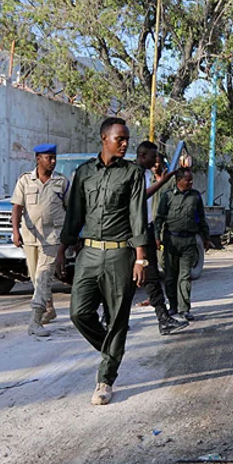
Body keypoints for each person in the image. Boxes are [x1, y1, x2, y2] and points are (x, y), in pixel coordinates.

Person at [56, 117, 147, 406]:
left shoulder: (132, 174)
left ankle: (105, 380)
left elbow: (137, 217)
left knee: (117, 317)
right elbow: (74, 216)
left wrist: (140, 259)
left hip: (121, 254)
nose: (124, 144)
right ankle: (111, 350)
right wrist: (62, 249)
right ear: (104, 139)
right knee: (78, 313)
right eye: (119, 139)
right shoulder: (84, 174)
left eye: (126, 140)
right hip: (89, 253)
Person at [10, 144, 70, 337]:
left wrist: (71, 237)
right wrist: (16, 231)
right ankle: (49, 309)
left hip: (53, 238)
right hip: (31, 237)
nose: (53, 162)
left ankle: (34, 321)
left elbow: (71, 210)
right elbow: (17, 207)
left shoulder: (61, 182)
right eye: (48, 158)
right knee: (36, 277)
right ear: (38, 158)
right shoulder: (25, 181)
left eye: (54, 158)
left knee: (44, 276)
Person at [135, 141, 186, 335]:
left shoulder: (146, 174)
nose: (155, 160)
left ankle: (163, 318)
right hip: (135, 231)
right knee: (139, 275)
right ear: (142, 156)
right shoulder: (135, 173)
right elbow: (140, 197)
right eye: (152, 156)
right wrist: (162, 183)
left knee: (151, 276)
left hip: (146, 228)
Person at [155, 168, 212, 322]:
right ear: (178, 180)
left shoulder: (195, 196)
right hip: (171, 241)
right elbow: (159, 218)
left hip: (189, 242)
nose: (191, 182)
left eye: (191, 179)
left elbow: (201, 218)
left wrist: (206, 237)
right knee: (170, 276)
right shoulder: (167, 196)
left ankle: (184, 309)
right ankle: (173, 305)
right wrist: (157, 237)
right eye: (188, 180)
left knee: (185, 276)